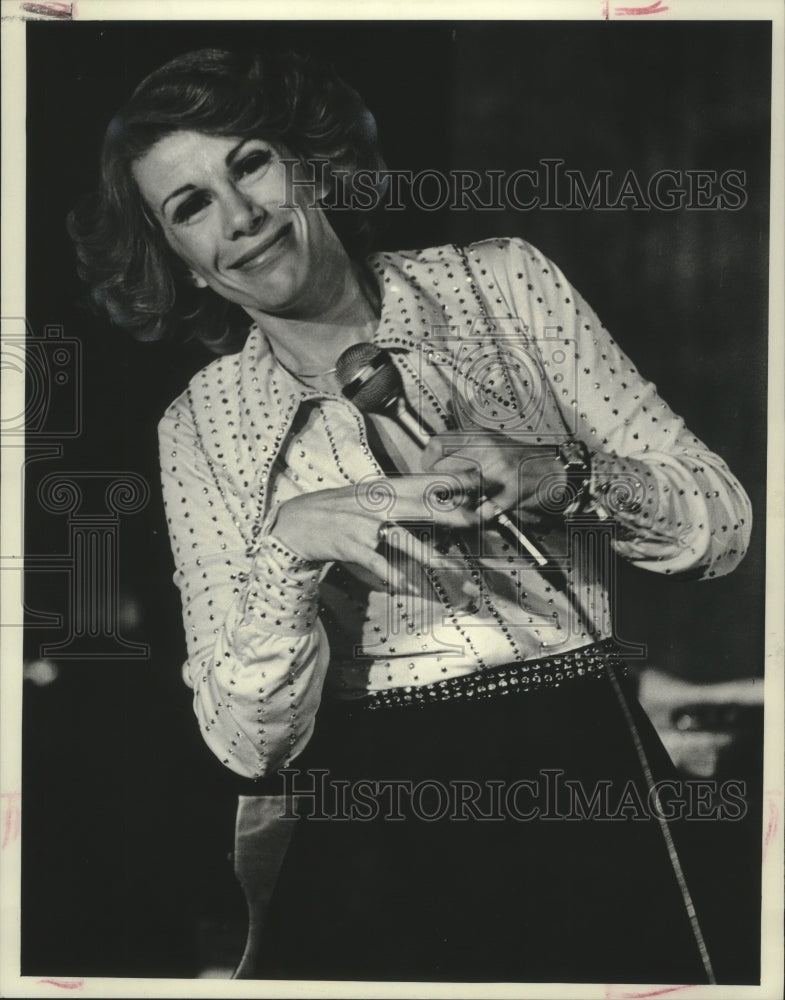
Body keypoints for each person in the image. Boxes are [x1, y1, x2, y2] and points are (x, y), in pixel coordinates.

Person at [68, 47, 752, 984]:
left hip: (582, 770)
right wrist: (286, 555)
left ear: (307, 162)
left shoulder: (505, 284)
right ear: (179, 263)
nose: (240, 216)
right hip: (372, 827)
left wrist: (558, 473)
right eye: (189, 206)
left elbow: (721, 525)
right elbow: (242, 740)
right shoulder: (200, 426)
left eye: (250, 162)